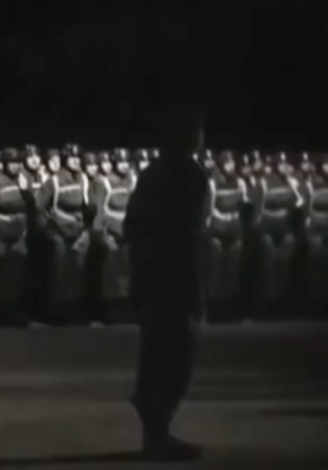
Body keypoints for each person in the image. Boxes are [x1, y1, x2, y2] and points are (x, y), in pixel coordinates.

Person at [123, 108, 209, 461]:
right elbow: (190, 234)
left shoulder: (152, 173)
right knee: (175, 358)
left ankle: (155, 434)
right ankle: (158, 435)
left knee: (156, 356)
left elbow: (131, 225)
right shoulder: (190, 175)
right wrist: (195, 286)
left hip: (151, 278)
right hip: (175, 278)